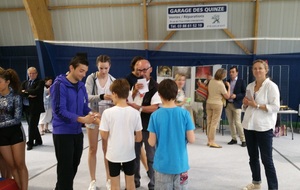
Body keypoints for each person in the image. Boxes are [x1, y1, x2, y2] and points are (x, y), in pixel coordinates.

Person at [50, 56, 99, 190]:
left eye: (85, 71)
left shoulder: (81, 86)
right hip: (63, 133)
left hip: (77, 132)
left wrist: (91, 113)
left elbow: (83, 107)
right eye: (81, 71)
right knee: (65, 169)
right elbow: (60, 110)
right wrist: (82, 119)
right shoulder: (59, 85)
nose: (83, 75)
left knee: (72, 167)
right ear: (71, 68)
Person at [148, 79, 195, 189]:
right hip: (181, 164)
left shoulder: (155, 116)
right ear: (176, 93)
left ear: (159, 95)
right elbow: (192, 139)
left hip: (162, 165)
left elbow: (151, 142)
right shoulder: (185, 114)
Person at [242, 59, 279, 190]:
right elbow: (246, 106)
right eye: (255, 68)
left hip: (264, 127)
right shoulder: (250, 86)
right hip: (249, 126)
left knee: (267, 160)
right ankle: (256, 183)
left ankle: (273, 188)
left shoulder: (271, 86)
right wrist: (245, 104)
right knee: (253, 157)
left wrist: (256, 105)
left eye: (260, 68)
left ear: (266, 70)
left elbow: (275, 107)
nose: (257, 71)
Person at [99, 79, 142, 190]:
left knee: (115, 185)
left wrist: (99, 123)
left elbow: (104, 136)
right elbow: (139, 138)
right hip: (129, 154)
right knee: (131, 183)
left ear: (114, 94)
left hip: (113, 154)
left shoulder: (107, 113)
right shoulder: (135, 113)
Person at [128, 59, 161, 190]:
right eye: (139, 70)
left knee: (151, 156)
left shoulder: (156, 87)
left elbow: (155, 108)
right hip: (135, 126)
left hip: (149, 127)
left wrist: (139, 107)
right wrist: (134, 91)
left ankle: (153, 184)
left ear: (150, 70)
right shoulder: (135, 85)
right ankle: (135, 182)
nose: (141, 73)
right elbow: (128, 101)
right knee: (134, 156)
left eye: (144, 70)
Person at [85, 55, 115, 190]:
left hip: (107, 118)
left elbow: (116, 99)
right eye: (101, 68)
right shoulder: (91, 78)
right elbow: (86, 97)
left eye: (106, 68)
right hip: (93, 116)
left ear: (110, 67)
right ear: (97, 66)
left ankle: (109, 179)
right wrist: (102, 96)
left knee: (106, 150)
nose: (103, 71)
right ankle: (92, 180)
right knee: (92, 149)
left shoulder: (113, 80)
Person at [0, 68, 28, 190]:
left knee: (20, 164)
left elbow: (17, 118)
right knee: (12, 166)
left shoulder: (16, 96)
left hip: (15, 132)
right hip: (2, 135)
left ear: (7, 82)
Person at [20, 67, 45, 150]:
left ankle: (30, 143)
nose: (31, 75)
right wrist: (28, 94)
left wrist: (25, 92)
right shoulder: (25, 82)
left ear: (36, 74)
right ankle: (38, 140)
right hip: (26, 107)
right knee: (32, 125)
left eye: (33, 73)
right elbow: (20, 91)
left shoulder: (40, 82)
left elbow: (36, 92)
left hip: (35, 108)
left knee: (31, 126)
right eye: (30, 73)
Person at [206, 68, 230, 148]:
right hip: (217, 104)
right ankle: (212, 141)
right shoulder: (221, 84)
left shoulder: (211, 81)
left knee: (209, 122)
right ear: (223, 75)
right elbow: (227, 96)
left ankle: (209, 141)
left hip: (209, 103)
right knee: (214, 123)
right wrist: (229, 87)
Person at [225, 66, 246, 147]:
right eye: (230, 72)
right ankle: (234, 138)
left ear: (237, 72)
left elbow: (244, 93)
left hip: (237, 104)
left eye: (233, 72)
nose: (231, 73)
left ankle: (243, 140)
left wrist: (236, 96)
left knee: (238, 122)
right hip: (228, 104)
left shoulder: (241, 81)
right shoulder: (227, 81)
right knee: (230, 123)